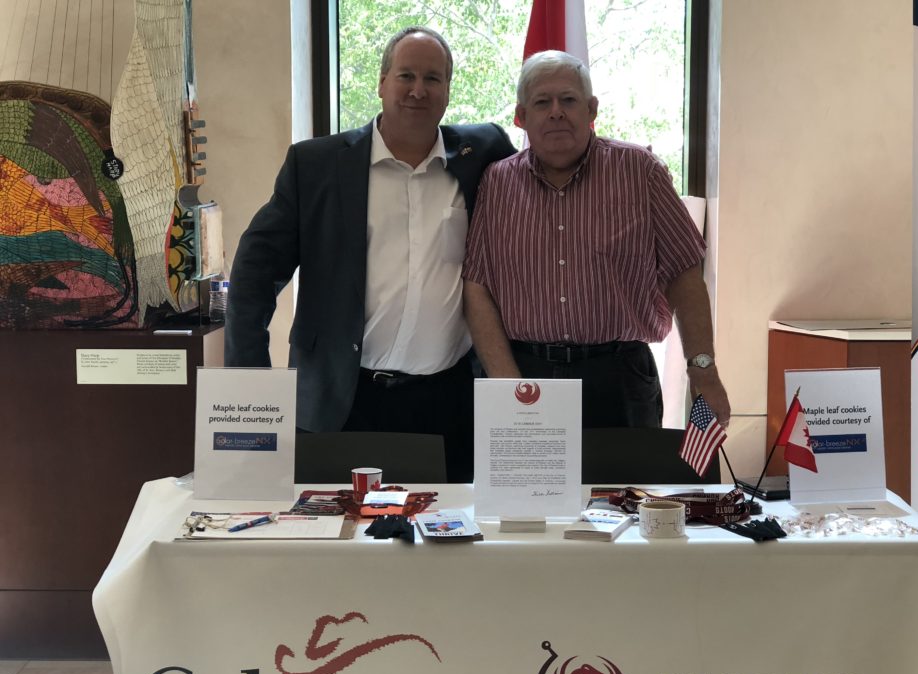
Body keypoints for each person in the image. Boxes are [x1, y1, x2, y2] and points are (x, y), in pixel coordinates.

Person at [225, 27, 516, 482]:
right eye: (406, 75)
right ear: (381, 84)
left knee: (450, 540)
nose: (419, 90)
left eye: (433, 78)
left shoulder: (483, 155)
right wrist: (250, 383)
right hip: (341, 401)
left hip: (450, 404)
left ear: (447, 91)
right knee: (338, 541)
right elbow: (254, 273)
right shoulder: (316, 166)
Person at [463, 50, 731, 430]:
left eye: (568, 100)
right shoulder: (496, 183)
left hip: (620, 378)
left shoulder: (641, 172)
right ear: (521, 116)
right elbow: (477, 288)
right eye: (542, 102)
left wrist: (703, 370)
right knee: (532, 492)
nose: (556, 111)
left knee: (626, 491)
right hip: (525, 374)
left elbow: (685, 274)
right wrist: (509, 385)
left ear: (591, 109)